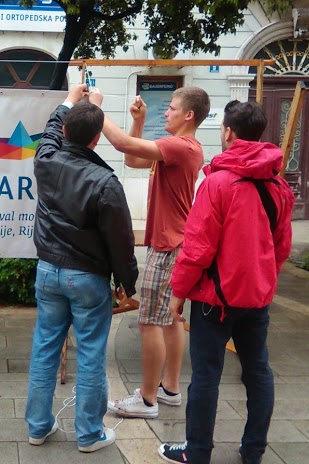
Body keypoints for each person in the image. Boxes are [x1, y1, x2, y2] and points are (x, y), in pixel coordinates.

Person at [158, 100, 294, 464]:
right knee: (258, 372)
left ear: (229, 132)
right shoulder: (279, 186)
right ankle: (253, 451)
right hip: (256, 299)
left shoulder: (217, 183)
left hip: (214, 300)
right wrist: (263, 279)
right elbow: (281, 247)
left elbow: (198, 248)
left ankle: (197, 452)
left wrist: (178, 292)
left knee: (205, 376)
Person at [26, 84, 139, 453]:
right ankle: (89, 434)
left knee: (45, 347)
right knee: (90, 353)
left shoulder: (45, 160)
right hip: (88, 277)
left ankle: (38, 427)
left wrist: (71, 101)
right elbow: (121, 240)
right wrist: (126, 282)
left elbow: (50, 130)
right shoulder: (105, 182)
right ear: (96, 139)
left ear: (63, 132)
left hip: (48, 271)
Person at [90, 87, 209, 419]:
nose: (166, 112)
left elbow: (121, 145)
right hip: (175, 243)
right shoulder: (180, 148)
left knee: (148, 322)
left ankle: (147, 399)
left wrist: (95, 110)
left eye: (172, 108)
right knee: (170, 319)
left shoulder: (180, 146)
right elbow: (132, 158)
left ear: (189, 115)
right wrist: (138, 121)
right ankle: (170, 389)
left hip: (169, 245)